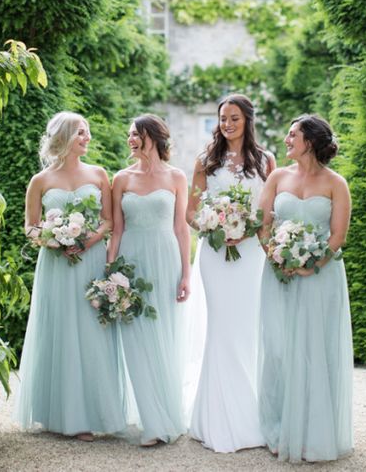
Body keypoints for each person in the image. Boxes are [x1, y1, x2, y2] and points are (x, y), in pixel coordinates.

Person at [14, 112, 126, 440]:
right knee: (59, 330)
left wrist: (86, 240)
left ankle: (92, 414)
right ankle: (59, 414)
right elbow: (30, 227)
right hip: (55, 265)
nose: (87, 138)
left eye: (88, 132)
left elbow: (108, 220)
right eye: (81, 133)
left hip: (89, 261)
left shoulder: (99, 174)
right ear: (64, 137)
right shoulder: (41, 181)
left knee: (92, 332)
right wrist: (54, 239)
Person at [257, 114, 353, 462]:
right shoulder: (277, 177)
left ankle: (313, 432)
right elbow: (263, 223)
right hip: (279, 275)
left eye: (292, 134)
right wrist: (276, 255)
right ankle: (279, 426)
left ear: (309, 141)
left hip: (319, 278)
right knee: (280, 348)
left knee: (315, 347)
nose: (286, 139)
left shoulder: (336, 183)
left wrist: (311, 264)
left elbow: (337, 235)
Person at [187, 94, 275, 453]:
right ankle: (217, 419)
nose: (227, 124)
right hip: (215, 254)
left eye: (234, 118)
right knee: (221, 329)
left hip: (251, 253)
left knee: (247, 330)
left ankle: (251, 413)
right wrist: (214, 226)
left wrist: (248, 228)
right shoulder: (206, 160)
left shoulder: (266, 160)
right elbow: (191, 211)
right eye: (223, 118)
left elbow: (270, 210)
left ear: (247, 120)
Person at [107, 114, 191, 446]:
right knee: (136, 338)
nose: (130, 139)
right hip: (131, 262)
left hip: (165, 260)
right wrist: (110, 273)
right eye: (128, 134)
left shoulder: (176, 177)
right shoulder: (121, 179)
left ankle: (165, 416)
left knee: (163, 336)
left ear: (152, 136)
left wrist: (186, 273)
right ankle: (150, 418)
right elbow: (116, 229)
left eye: (135, 134)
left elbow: (181, 228)